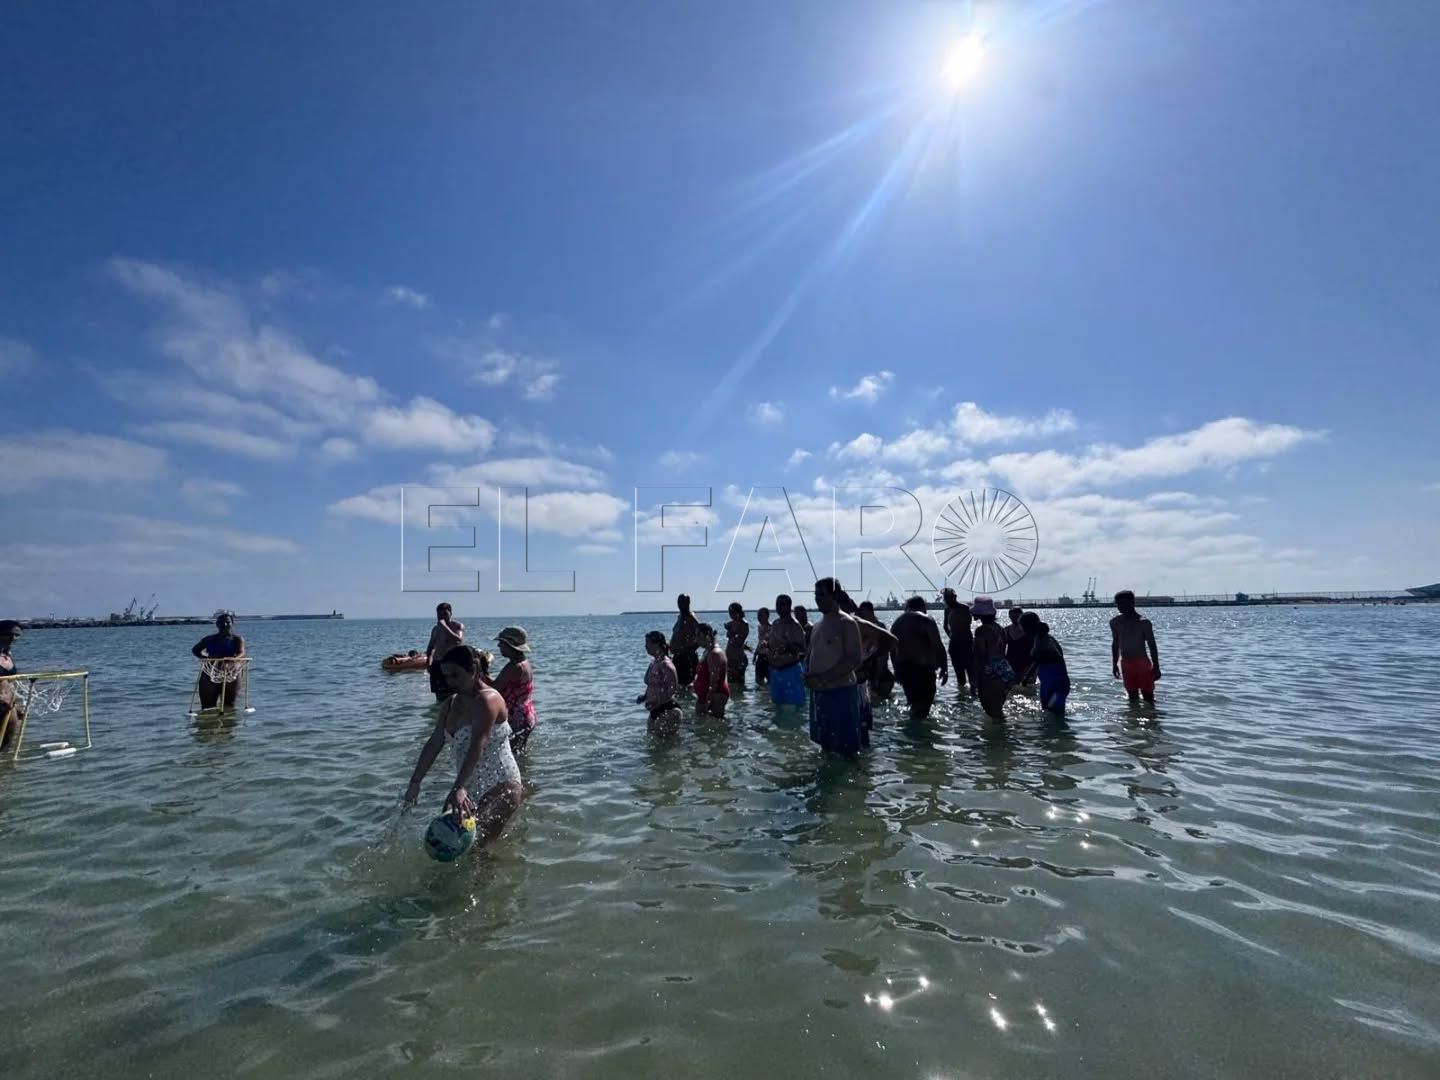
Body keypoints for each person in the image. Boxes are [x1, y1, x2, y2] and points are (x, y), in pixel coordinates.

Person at [404, 645, 522, 845]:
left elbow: (478, 744)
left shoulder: (488, 700)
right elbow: (434, 743)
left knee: (478, 849)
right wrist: (415, 783)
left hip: (501, 784)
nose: (450, 682)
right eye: (446, 676)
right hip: (469, 786)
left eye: (455, 676)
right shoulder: (451, 704)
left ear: (473, 671)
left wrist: (458, 787)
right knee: (448, 844)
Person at [805, 579, 866, 755]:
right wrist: (808, 675)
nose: (818, 599)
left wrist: (823, 678)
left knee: (847, 750)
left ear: (835, 595)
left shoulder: (846, 623)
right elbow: (812, 656)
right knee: (825, 747)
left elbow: (854, 659)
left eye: (822, 595)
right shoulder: (817, 626)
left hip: (841, 693)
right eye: (816, 595)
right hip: (819, 695)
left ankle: (852, 782)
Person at [841, 591, 896, 737]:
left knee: (875, 704)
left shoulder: (875, 627)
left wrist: (875, 674)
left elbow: (885, 653)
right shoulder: (856, 624)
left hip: (880, 675)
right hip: (867, 675)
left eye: (865, 614)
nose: (863, 616)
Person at [889, 596, 948, 719]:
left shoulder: (898, 622)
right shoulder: (925, 619)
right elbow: (937, 645)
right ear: (922, 607)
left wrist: (896, 670)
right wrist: (944, 667)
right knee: (925, 706)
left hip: (904, 669)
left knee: (913, 703)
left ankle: (913, 731)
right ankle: (923, 735)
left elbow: (892, 649)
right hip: (923, 669)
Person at [483, 626, 537, 753]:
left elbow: (494, 687)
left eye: (501, 643)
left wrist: (481, 670)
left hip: (516, 718)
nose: (499, 646)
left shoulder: (514, 667)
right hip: (526, 715)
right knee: (519, 753)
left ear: (510, 645)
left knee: (510, 754)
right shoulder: (525, 663)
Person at [1111, 590, 1161, 704]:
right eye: (1118, 604)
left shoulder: (1144, 622)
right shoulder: (1115, 622)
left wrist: (1156, 666)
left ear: (1132, 603)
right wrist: (1114, 664)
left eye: (1123, 603)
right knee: (1132, 696)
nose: (1120, 607)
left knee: (1148, 696)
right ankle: (1133, 719)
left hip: (1142, 663)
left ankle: (1151, 718)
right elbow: (1115, 644)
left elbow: (1152, 645)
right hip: (1126, 663)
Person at [971, 597, 1014, 721]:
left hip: (990, 672)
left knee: (991, 711)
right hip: (1005, 670)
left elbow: (981, 655)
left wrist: (975, 680)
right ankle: (1004, 736)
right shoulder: (1000, 628)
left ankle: (996, 739)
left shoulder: (981, 631)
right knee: (997, 710)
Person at [191, 612, 245, 710]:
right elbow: (195, 650)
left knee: (229, 706)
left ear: (232, 623)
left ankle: (228, 723)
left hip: (231, 674)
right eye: (222, 622)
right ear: (217, 624)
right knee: (207, 706)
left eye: (228, 622)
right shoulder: (209, 639)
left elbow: (241, 652)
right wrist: (205, 658)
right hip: (210, 673)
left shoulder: (237, 639)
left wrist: (233, 659)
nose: (225, 625)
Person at [1021, 611, 1071, 716]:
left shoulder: (1045, 640)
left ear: (1026, 627)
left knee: (1056, 715)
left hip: (1058, 684)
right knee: (1048, 713)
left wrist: (1038, 658)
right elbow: (1037, 661)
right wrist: (1026, 677)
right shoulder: (1038, 640)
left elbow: (1055, 657)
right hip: (1047, 684)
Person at [637, 631, 683, 737]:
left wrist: (657, 703)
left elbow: (672, 689)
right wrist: (644, 697)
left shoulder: (666, 664)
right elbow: (652, 685)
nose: (645, 646)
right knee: (655, 747)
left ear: (657, 644)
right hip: (655, 710)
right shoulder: (654, 663)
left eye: (647, 643)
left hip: (668, 710)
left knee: (667, 747)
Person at [767, 594, 808, 708]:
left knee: (795, 708)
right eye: (778, 604)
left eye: (783, 604)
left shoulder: (795, 626)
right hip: (775, 671)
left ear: (789, 606)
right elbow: (772, 645)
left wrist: (788, 647)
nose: (779, 607)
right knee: (777, 706)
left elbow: (803, 650)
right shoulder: (775, 623)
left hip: (790, 670)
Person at [425, 603, 465, 703]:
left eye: (445, 614)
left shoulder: (457, 626)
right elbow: (430, 647)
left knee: (453, 693)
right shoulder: (435, 629)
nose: (442, 617)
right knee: (439, 694)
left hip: (451, 663)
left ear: (450, 614)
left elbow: (458, 640)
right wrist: (428, 663)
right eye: (439, 615)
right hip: (437, 664)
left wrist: (444, 627)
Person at [858, 601, 895, 700]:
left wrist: (876, 679)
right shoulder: (865, 628)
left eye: (863, 613)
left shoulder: (878, 628)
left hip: (881, 676)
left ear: (870, 612)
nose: (862, 617)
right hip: (872, 675)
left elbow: (883, 656)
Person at [692, 623, 730, 718]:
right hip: (706, 695)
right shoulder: (708, 651)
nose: (696, 639)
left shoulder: (715, 653)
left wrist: (709, 698)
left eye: (698, 635)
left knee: (715, 726)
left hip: (716, 695)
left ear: (708, 635)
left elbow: (715, 680)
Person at [942, 588, 973, 696]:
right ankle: (963, 699)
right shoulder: (947, 610)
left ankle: (973, 695)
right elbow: (945, 626)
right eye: (945, 598)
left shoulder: (965, 608)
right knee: (960, 678)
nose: (947, 600)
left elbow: (968, 623)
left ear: (955, 597)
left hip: (967, 643)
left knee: (972, 673)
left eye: (949, 597)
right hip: (955, 644)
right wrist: (952, 636)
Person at [0, 620, 22, 751]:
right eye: (9, 634)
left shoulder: (8, 655)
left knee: (6, 748)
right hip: (1, 702)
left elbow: (9, 683)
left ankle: (7, 770)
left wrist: (16, 702)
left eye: (16, 635)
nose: (13, 638)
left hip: (8, 704)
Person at [671, 594, 702, 688]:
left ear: (688, 603)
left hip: (687, 658)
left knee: (688, 687)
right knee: (677, 686)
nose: (680, 604)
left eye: (683, 602)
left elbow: (703, 631)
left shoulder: (690, 616)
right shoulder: (680, 617)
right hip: (677, 657)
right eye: (679, 602)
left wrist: (693, 647)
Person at [1004, 607, 1037, 687]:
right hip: (1011, 664)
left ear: (1022, 616)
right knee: (1011, 688)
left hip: (1028, 664)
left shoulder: (1030, 631)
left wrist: (1034, 666)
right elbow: (1001, 647)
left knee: (1028, 688)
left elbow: (1037, 649)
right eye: (1011, 617)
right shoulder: (1006, 630)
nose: (1014, 619)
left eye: (1016, 616)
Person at [724, 603, 750, 689]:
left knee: (739, 686)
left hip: (738, 659)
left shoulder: (744, 624)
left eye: (732, 612)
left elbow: (739, 641)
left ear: (738, 612)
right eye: (729, 612)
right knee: (731, 686)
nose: (730, 615)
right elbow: (729, 636)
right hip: (730, 659)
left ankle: (741, 702)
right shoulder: (731, 623)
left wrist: (731, 632)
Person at [753, 607, 772, 685]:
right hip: (760, 656)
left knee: (770, 680)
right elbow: (760, 642)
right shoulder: (759, 627)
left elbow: (774, 642)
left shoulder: (772, 627)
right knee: (758, 680)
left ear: (767, 616)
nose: (759, 617)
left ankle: (767, 695)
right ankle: (762, 696)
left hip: (768, 657)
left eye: (761, 615)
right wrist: (755, 654)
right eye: (758, 615)